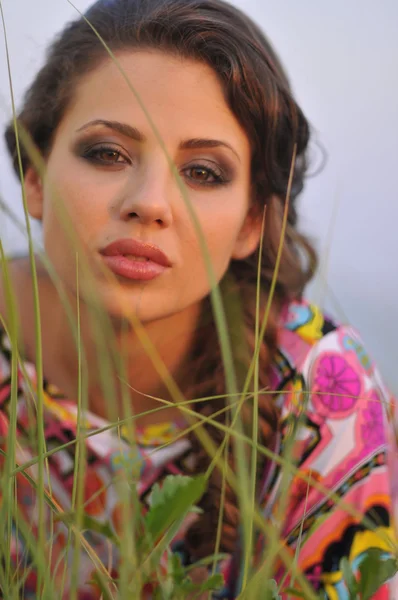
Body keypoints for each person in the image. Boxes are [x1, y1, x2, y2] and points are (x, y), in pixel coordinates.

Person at [0, 0, 396, 598]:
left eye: (204, 171)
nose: (150, 202)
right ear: (34, 175)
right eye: (108, 153)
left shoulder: (319, 389)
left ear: (251, 223)